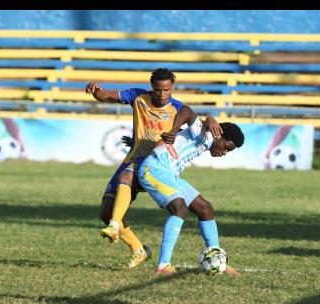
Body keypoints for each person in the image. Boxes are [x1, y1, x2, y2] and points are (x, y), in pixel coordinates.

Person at [85, 68, 222, 268]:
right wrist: (95, 90)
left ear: (172, 88)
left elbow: (192, 118)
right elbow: (105, 96)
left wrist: (209, 119)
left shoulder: (177, 109)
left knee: (127, 178)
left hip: (153, 162)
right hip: (132, 157)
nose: (162, 94)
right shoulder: (138, 97)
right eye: (158, 90)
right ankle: (138, 249)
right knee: (106, 212)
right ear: (152, 87)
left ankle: (117, 227)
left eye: (166, 90)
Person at [137, 105, 245, 275]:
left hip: (169, 175)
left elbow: (200, 120)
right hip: (154, 169)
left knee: (205, 208)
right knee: (179, 208)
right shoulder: (203, 133)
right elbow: (186, 111)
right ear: (219, 135)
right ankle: (163, 265)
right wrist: (172, 131)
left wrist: (208, 119)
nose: (224, 152)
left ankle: (216, 258)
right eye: (227, 147)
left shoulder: (207, 133)